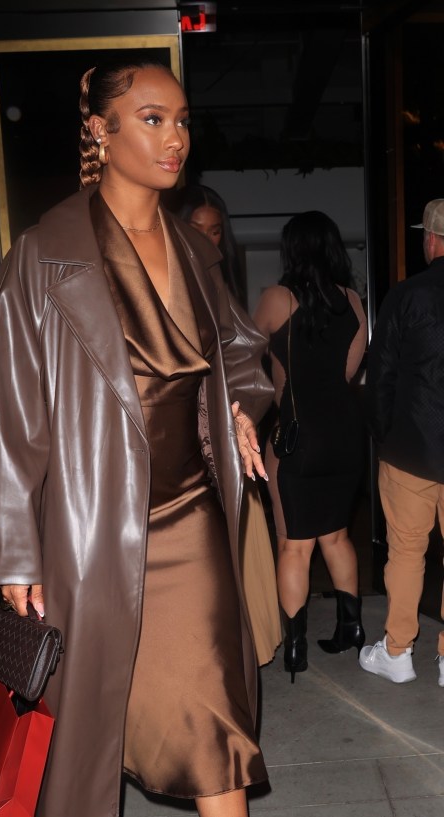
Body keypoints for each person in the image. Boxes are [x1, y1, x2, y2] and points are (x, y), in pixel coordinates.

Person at [0, 58, 312, 817]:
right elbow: (6, 410)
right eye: (150, 119)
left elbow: (240, 349)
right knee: (99, 696)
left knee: (215, 702)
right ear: (102, 132)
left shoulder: (194, 245)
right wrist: (8, 549)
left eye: (182, 120)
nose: (174, 138)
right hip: (89, 521)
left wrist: (242, 404)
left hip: (193, 510)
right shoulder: (47, 253)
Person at [252, 211, 367, 682]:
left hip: (299, 435)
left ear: (292, 250)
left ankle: (296, 649)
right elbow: (347, 372)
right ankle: (351, 629)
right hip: (345, 432)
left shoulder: (277, 298)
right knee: (337, 536)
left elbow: (241, 354)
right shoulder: (354, 300)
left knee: (293, 546)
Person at [174, 182, 281, 668]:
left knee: (243, 560)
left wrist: (240, 419)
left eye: (216, 231)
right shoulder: (165, 287)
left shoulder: (222, 293)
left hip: (229, 449)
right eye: (198, 229)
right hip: (179, 456)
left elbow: (245, 369)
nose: (208, 241)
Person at [359, 198, 444, 687]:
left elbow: (381, 376)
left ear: (430, 240)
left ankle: (398, 652)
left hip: (412, 447)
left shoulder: (407, 296)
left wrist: (382, 434)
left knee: (408, 552)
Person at [169, 183, 248, 306]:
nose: (205, 240)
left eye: (214, 232)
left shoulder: (223, 284)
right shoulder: (162, 276)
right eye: (195, 230)